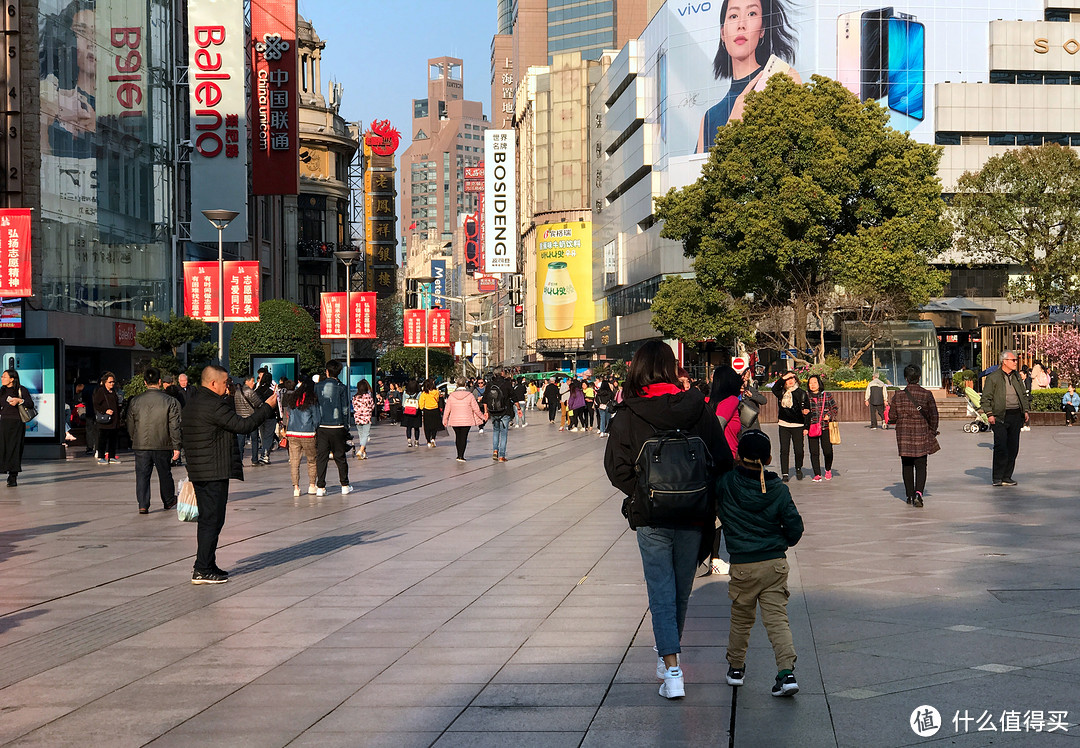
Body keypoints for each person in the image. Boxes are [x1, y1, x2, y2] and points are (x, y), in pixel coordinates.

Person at [604, 340, 732, 700]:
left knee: (660, 589)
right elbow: (721, 458)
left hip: (651, 516)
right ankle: (669, 654)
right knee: (680, 589)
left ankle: (672, 668)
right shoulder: (698, 407)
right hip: (695, 514)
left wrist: (643, 494)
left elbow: (616, 469)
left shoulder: (629, 413)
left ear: (638, 369)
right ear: (672, 368)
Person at [717, 429, 804, 697]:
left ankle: (736, 669)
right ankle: (786, 673)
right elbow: (795, 529)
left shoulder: (726, 483)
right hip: (774, 564)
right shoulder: (778, 488)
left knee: (741, 620)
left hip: (743, 565)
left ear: (739, 455)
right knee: (777, 619)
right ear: (767, 459)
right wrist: (779, 540)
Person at [183, 365, 278, 584]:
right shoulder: (213, 405)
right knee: (212, 520)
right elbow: (243, 426)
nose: (228, 387)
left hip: (200, 468)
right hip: (213, 470)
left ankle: (207, 563)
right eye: (225, 383)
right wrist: (266, 407)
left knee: (210, 519)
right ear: (213, 383)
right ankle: (202, 568)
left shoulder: (195, 402)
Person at [697, 0, 800, 151]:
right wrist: (732, 128)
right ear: (723, 33)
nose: (741, 24)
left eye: (751, 13)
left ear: (762, 29)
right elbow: (699, 174)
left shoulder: (783, 79)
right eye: (733, 16)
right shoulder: (710, 118)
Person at [126, 367, 182, 514]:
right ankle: (168, 500)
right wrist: (176, 445)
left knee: (142, 475)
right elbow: (174, 425)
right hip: (162, 443)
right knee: (165, 473)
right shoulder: (170, 401)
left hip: (141, 444)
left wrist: (134, 438)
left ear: (145, 382)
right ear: (159, 381)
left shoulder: (135, 401)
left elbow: (130, 424)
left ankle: (143, 504)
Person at [887, 364, 939, 507]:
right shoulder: (926, 394)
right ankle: (919, 494)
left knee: (907, 465)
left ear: (905, 378)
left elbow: (891, 416)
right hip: (921, 433)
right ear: (919, 377)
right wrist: (932, 431)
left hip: (904, 435)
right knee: (921, 466)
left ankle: (909, 495)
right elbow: (934, 416)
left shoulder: (898, 396)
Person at [979, 350, 1031, 487]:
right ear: (1005, 361)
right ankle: (997, 477)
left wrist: (1025, 410)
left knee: (1013, 447)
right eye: (1013, 360)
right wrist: (989, 414)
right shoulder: (994, 378)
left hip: (1015, 416)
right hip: (1000, 417)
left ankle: (1007, 476)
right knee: (1001, 446)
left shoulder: (1017, 377)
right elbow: (985, 398)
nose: (1016, 363)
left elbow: (1023, 395)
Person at [314, 360, 353, 496]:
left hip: (322, 426)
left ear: (327, 371)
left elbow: (315, 406)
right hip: (338, 426)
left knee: (322, 457)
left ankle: (321, 487)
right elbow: (345, 408)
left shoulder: (317, 387)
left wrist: (316, 424)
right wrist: (346, 427)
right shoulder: (342, 387)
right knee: (340, 456)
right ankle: (344, 485)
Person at [771, 372, 810, 482]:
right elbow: (774, 389)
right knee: (784, 450)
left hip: (798, 425)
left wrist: (806, 427)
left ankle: (798, 468)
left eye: (792, 378)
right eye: (788, 379)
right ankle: (785, 473)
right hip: (784, 424)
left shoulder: (801, 393)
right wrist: (783, 378)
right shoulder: (781, 392)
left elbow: (807, 411)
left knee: (799, 450)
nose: (790, 380)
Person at [285, 377, 320, 498]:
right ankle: (311, 485)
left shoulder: (293, 398)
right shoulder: (312, 399)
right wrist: (315, 428)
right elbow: (316, 419)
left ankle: (296, 488)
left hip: (292, 433)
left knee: (294, 462)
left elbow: (288, 415)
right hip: (308, 433)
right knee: (311, 460)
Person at [0, 369, 32, 486]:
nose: (2, 378)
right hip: (3, 422)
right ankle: (4, 469)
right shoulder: (2, 391)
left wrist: (19, 400)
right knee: (3, 447)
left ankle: (13, 476)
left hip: (17, 423)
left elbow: (30, 404)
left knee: (15, 448)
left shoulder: (21, 389)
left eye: (4, 377)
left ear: (12, 379)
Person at [443, 376, 486, 462]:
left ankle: (458, 455)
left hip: (455, 420)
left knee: (458, 437)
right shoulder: (469, 395)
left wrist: (445, 419)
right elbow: (476, 409)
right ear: (465, 384)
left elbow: (447, 409)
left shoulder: (451, 396)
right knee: (463, 437)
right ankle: (461, 456)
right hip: (466, 420)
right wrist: (483, 417)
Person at [805, 374, 838, 482]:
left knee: (827, 451)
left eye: (815, 382)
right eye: (810, 383)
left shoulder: (826, 395)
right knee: (814, 452)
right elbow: (801, 410)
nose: (812, 385)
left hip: (825, 427)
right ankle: (817, 473)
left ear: (819, 384)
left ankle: (828, 469)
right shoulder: (805, 397)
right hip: (812, 426)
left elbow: (835, 408)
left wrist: (828, 414)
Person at [482, 368, 513, 462]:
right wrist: (518, 408)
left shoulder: (490, 384)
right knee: (503, 434)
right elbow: (514, 396)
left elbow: (485, 399)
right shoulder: (506, 383)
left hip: (493, 412)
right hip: (504, 412)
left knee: (496, 431)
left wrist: (486, 412)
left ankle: (495, 451)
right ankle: (502, 456)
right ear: (502, 373)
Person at [232, 374, 264, 467]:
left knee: (241, 441)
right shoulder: (250, 391)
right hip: (251, 418)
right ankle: (254, 460)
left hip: (240, 418)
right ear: (247, 381)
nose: (253, 383)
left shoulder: (237, 392)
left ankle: (239, 461)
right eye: (252, 381)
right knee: (254, 440)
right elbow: (259, 403)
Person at [93, 372, 122, 464]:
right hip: (105, 421)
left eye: (113, 382)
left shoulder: (113, 392)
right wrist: (105, 410)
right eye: (110, 382)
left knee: (113, 439)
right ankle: (101, 456)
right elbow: (96, 404)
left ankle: (112, 456)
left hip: (114, 420)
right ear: (105, 382)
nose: (112, 384)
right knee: (103, 439)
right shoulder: (101, 391)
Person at [253, 368, 277, 464]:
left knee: (263, 435)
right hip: (271, 415)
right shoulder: (272, 390)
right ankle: (265, 454)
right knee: (269, 435)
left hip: (260, 415)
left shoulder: (258, 390)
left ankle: (264, 453)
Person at [352, 379, 375, 459]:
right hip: (366, 418)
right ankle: (361, 450)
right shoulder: (368, 397)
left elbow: (354, 406)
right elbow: (372, 406)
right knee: (365, 434)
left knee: (361, 435)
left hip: (358, 418)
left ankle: (364, 453)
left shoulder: (355, 397)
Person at [739, 367, 767, 432]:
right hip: (739, 424)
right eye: (742, 379)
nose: (743, 382)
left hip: (751, 423)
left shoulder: (751, 390)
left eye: (745, 380)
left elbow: (764, 401)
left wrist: (752, 396)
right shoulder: (734, 391)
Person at [419, 378, 441, 447]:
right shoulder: (436, 392)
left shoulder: (424, 394)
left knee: (427, 427)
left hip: (427, 410)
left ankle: (428, 441)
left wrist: (421, 408)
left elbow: (421, 404)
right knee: (434, 426)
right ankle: (433, 439)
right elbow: (437, 399)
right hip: (435, 410)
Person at [400, 379, 422, 447]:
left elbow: (403, 403)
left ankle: (409, 440)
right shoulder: (419, 393)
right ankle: (416, 441)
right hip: (416, 412)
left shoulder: (405, 392)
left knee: (408, 427)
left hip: (407, 411)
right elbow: (420, 403)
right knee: (416, 427)